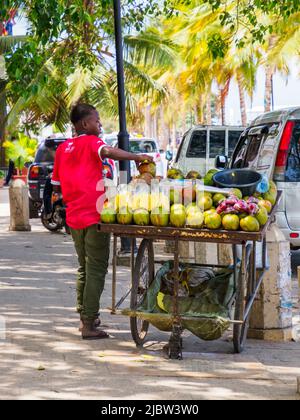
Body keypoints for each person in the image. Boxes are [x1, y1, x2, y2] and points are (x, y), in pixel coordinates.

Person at [51, 103, 153, 340]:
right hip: (94, 215)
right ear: (85, 124)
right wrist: (137, 157)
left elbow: (57, 185)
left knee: (84, 268)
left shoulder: (63, 148)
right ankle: (88, 324)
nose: (100, 124)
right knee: (96, 268)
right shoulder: (92, 142)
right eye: (97, 121)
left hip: (73, 216)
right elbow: (108, 152)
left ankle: (85, 315)